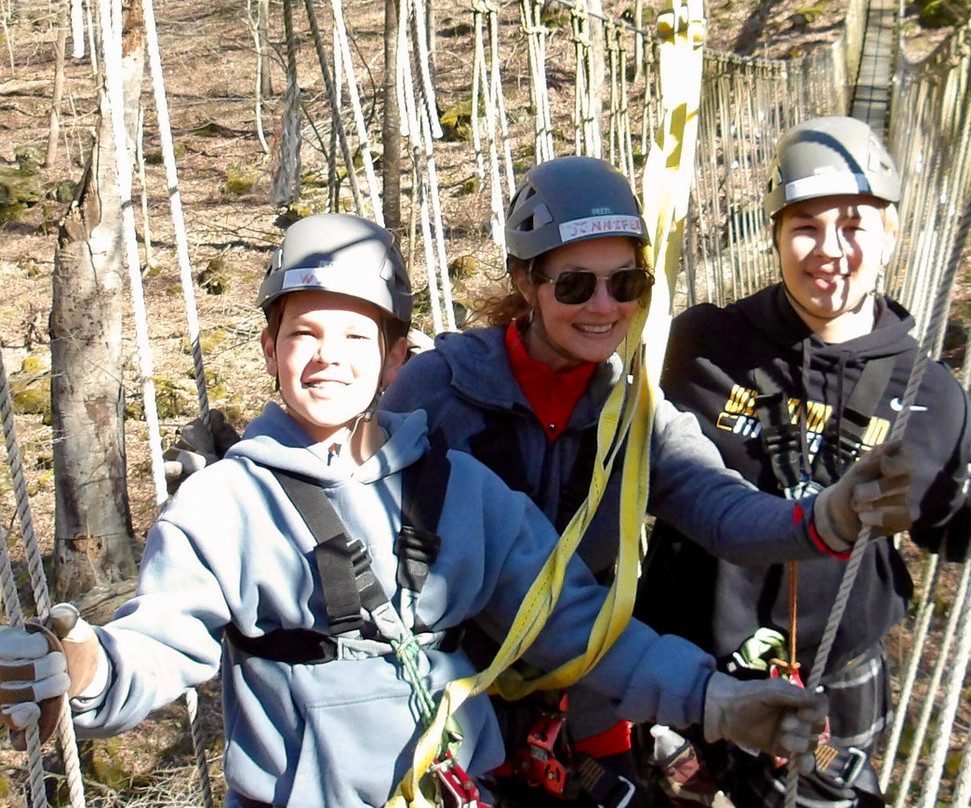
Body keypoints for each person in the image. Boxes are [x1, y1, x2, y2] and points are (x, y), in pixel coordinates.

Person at [0, 214, 837, 808]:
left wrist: (715, 701)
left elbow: (581, 632)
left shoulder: (461, 490)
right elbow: (159, 645)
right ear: (268, 349)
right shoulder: (227, 507)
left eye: (358, 337)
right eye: (304, 334)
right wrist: (83, 668)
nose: (330, 358)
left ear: (398, 357)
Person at [378, 156, 915, 808]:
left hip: (589, 700)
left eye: (625, 282)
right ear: (526, 281)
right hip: (453, 703)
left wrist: (825, 519)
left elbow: (722, 509)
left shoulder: (634, 416)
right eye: (575, 286)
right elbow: (359, 495)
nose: (605, 307)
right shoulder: (440, 393)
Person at [636, 116, 971, 808]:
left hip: (822, 693)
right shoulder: (699, 345)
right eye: (805, 226)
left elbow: (948, 524)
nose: (828, 250)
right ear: (775, 235)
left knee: (825, 788)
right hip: (684, 669)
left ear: (890, 235)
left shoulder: (931, 394)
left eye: (853, 225)